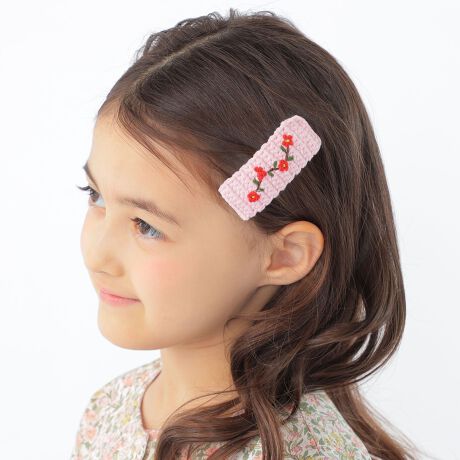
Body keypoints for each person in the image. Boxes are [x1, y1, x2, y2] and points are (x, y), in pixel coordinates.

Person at [70, 8, 426, 460]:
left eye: (147, 226)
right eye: (97, 196)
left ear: (284, 255)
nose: (98, 254)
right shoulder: (108, 411)